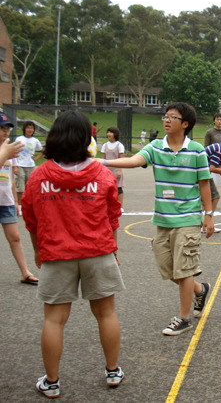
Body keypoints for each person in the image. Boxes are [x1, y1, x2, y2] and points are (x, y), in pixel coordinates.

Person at [21, 111, 125, 398]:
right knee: (106, 314)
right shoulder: (101, 173)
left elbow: (31, 219)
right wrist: (113, 249)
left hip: (56, 253)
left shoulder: (40, 176)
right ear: (86, 139)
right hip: (98, 251)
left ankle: (52, 382)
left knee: (54, 319)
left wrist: (38, 252)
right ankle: (113, 370)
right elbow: (113, 215)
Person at [100, 103, 215, 336]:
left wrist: (208, 215)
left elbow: (204, 183)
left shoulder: (196, 150)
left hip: (188, 217)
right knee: (169, 270)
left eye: (173, 117)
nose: (167, 120)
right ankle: (199, 290)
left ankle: (183, 318)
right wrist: (102, 162)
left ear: (185, 124)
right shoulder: (155, 147)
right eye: (166, 116)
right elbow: (134, 161)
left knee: (184, 269)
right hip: (163, 219)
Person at [0, 113, 39, 286]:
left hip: (6, 200)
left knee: (15, 237)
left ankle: (25, 272)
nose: (5, 132)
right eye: (2, 128)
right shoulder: (6, 151)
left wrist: (15, 201)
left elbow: (8, 178)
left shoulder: (10, 150)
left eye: (7, 128)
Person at [14, 121, 43, 212]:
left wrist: (36, 158)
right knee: (21, 185)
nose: (30, 130)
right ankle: (20, 206)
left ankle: (29, 206)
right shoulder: (19, 139)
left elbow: (42, 151)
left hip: (30, 165)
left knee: (30, 186)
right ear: (24, 129)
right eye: (28, 128)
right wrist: (14, 166)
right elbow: (14, 151)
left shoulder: (35, 141)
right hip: (20, 164)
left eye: (31, 128)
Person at [101, 127, 126, 207]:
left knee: (118, 188)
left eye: (111, 132)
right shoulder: (105, 145)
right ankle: (108, 205)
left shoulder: (119, 145)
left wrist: (119, 171)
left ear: (115, 134)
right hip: (107, 169)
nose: (108, 134)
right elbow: (103, 159)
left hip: (116, 169)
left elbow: (121, 159)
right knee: (106, 188)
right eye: (108, 132)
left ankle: (119, 206)